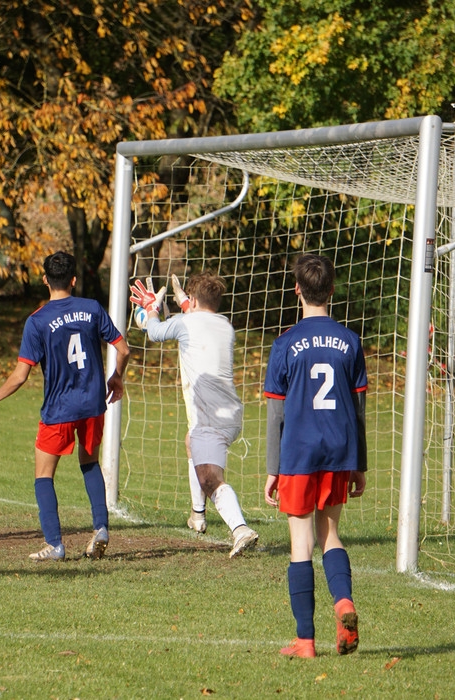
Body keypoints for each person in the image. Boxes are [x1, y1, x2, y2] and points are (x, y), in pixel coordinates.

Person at [0, 251, 130, 561]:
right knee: (90, 462)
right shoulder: (92, 308)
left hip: (59, 409)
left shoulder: (37, 320)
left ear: (45, 280)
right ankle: (101, 527)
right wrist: (116, 377)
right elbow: (123, 349)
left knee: (43, 475)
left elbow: (21, 375)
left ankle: (55, 545)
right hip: (93, 404)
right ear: (73, 280)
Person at [264, 253, 367, 658]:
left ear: (297, 290)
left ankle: (305, 641)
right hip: (340, 451)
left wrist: (273, 469)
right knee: (330, 535)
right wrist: (360, 464)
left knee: (301, 543)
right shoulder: (350, 341)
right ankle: (343, 603)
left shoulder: (285, 343)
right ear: (332, 290)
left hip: (299, 452)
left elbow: (276, 415)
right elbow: (358, 410)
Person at [130, 272, 259, 558]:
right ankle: (197, 515)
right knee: (191, 442)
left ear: (194, 299)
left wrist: (151, 308)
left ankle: (240, 529)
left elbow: (154, 332)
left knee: (209, 479)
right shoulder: (225, 325)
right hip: (231, 414)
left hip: (210, 417)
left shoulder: (186, 323)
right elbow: (197, 321)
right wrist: (185, 303)